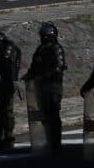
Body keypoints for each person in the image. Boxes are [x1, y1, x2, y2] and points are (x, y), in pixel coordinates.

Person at [22, 22, 66, 153]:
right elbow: (34, 65)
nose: (42, 37)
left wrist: (44, 76)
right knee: (44, 115)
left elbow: (59, 67)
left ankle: (56, 143)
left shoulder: (56, 48)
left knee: (53, 114)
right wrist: (29, 75)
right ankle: (48, 141)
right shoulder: (41, 49)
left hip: (53, 86)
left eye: (43, 35)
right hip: (40, 86)